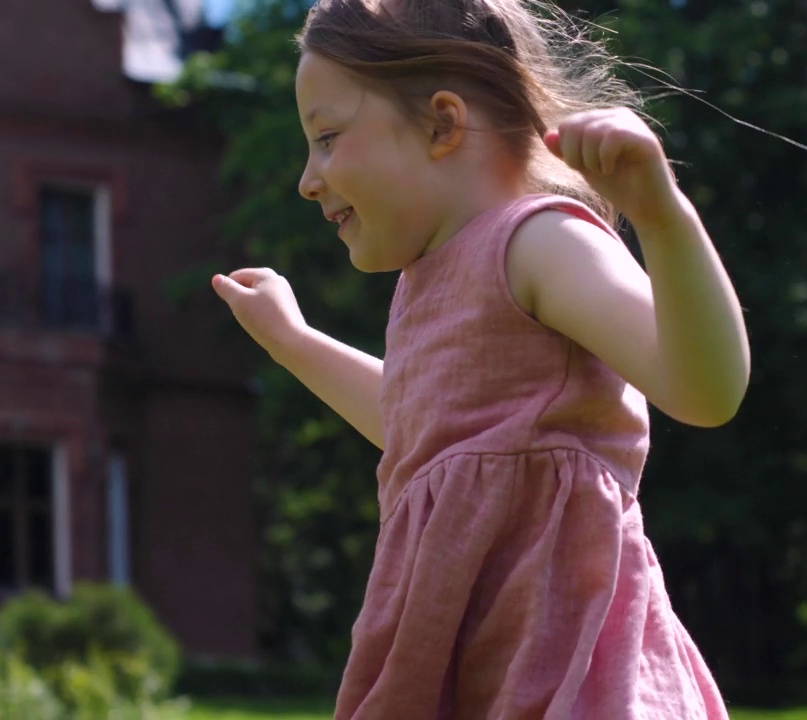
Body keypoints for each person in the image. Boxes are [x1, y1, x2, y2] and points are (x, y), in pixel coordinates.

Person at [211, 0, 750, 716]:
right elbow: (422, 429)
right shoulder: (422, 286)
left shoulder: (539, 242)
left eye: (329, 137)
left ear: (441, 122)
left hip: (573, 675)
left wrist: (663, 218)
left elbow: (704, 390)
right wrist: (295, 343)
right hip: (478, 670)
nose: (309, 179)